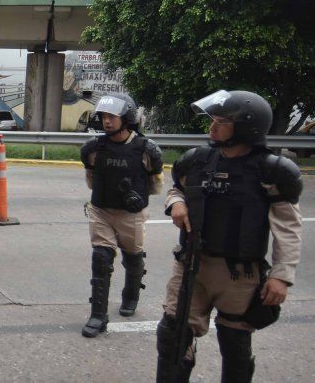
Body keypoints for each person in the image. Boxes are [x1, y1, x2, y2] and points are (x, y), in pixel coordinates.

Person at [155, 90, 303, 382]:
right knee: (173, 336)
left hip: (239, 274)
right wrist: (176, 202)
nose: (212, 127)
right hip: (191, 265)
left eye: (222, 122)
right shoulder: (197, 161)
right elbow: (177, 189)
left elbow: (288, 226)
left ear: (248, 127)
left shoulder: (270, 171)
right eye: (213, 119)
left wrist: (281, 276)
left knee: (235, 344)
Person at [79, 93, 164, 338]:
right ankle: (98, 315)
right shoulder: (93, 148)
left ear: (127, 118)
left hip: (131, 214)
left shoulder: (146, 150)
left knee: (133, 256)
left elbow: (155, 185)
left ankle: (131, 295)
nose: (107, 121)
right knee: (101, 258)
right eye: (104, 116)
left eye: (112, 117)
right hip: (101, 211)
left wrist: (137, 201)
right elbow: (91, 180)